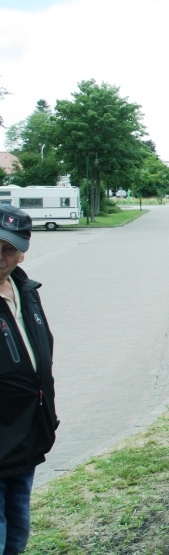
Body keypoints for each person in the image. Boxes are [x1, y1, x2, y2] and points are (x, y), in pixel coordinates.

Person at [0, 204, 58, 554]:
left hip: (26, 438)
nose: (0, 257)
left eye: (8, 249)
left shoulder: (26, 291)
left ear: (22, 252)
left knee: (17, 531)